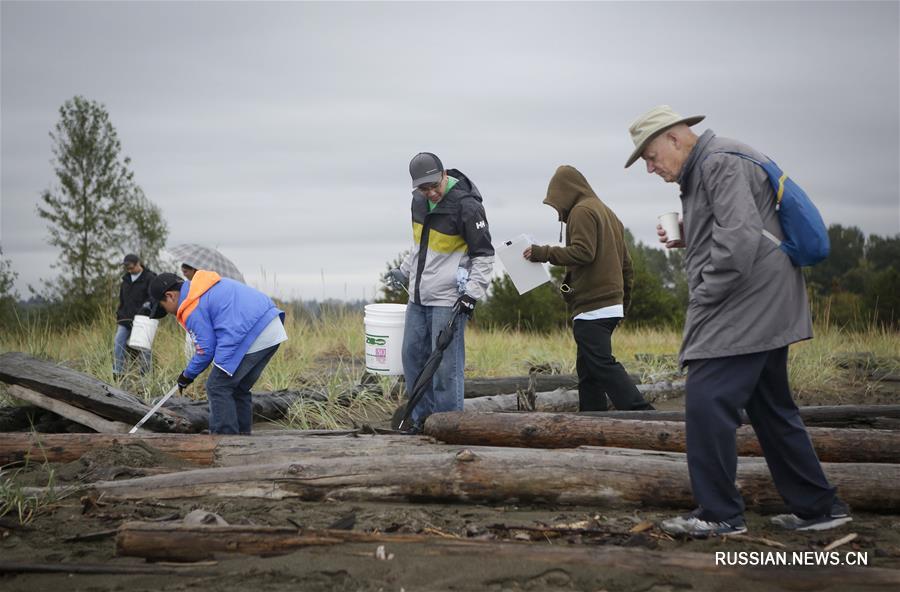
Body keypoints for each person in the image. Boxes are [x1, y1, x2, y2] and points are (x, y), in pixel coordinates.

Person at [625, 104, 850, 537]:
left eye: (651, 156)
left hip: (744, 304)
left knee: (708, 401)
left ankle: (718, 514)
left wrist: (705, 294)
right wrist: (694, 234)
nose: (650, 168)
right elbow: (744, 225)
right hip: (764, 301)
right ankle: (820, 506)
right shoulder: (714, 162)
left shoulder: (718, 162)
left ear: (675, 137)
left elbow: (740, 240)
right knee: (771, 408)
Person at [524, 165, 653, 412]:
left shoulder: (581, 211)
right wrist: (623, 304)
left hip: (593, 306)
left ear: (566, 192)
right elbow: (627, 265)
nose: (557, 211)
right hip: (609, 305)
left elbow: (584, 252)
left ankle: (643, 413)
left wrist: (543, 253)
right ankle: (592, 421)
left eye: (556, 203)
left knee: (603, 366)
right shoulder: (608, 213)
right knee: (589, 372)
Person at [389, 152, 494, 432]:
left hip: (450, 300)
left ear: (444, 174)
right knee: (412, 359)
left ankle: (450, 427)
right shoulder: (419, 203)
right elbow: (421, 246)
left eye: (435, 185)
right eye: (424, 188)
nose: (432, 192)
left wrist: (471, 295)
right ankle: (422, 422)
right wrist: (405, 270)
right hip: (418, 298)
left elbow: (484, 256)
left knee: (446, 369)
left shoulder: (467, 207)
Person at [148, 271, 287, 434]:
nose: (169, 313)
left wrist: (187, 375)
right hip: (272, 326)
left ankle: (224, 438)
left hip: (252, 333)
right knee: (238, 388)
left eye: (162, 307)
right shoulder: (203, 287)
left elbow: (206, 350)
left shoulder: (192, 305)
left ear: (170, 296)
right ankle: (242, 438)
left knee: (217, 386)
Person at [114, 254, 156, 378]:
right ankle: (118, 372)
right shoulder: (126, 280)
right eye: (127, 268)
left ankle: (146, 374)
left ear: (138, 264)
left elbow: (153, 298)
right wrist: (120, 314)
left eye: (131, 267)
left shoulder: (150, 278)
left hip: (143, 320)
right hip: (125, 319)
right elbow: (122, 300)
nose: (129, 270)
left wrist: (146, 307)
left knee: (144, 348)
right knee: (118, 342)